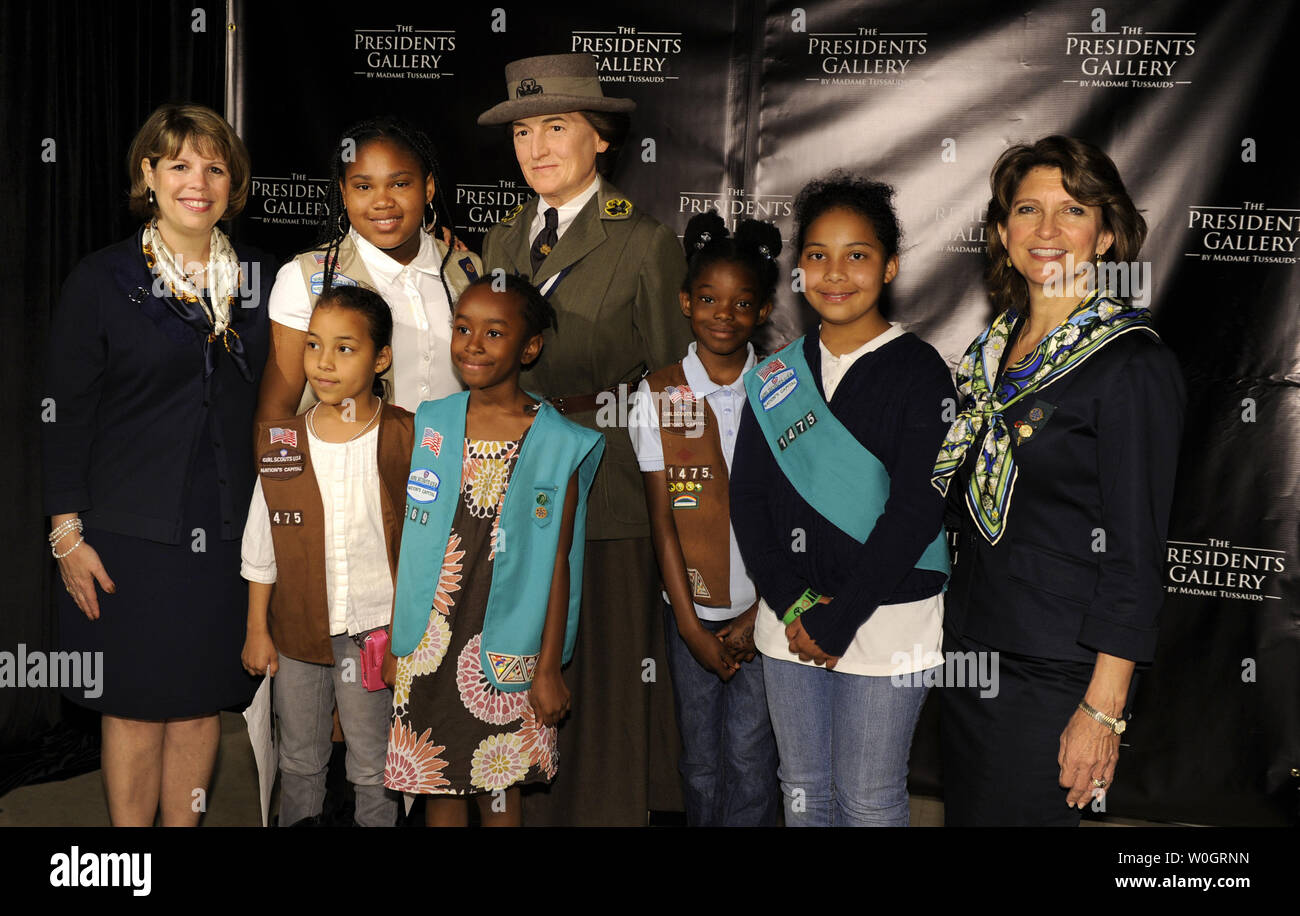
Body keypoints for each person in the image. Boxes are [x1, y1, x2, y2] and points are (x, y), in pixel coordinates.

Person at [931, 135, 1186, 826]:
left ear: (1105, 237)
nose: (1047, 231)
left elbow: (1136, 554)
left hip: (1055, 673)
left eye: (1072, 211)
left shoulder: (1130, 364)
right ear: (1001, 232)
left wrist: (1103, 710)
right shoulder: (986, 358)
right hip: (967, 653)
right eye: (1027, 210)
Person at [478, 52, 693, 825]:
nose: (536, 147)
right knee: (514, 673)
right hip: (511, 485)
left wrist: (687, 520)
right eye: (523, 132)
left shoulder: (643, 242)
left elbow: (676, 393)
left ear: (599, 137)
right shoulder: (500, 242)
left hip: (606, 490)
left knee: (600, 681)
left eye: (556, 127)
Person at [43, 103, 272, 826]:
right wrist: (65, 533)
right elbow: (62, 414)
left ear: (232, 182)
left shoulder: (265, 285)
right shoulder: (102, 280)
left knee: (200, 701)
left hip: (225, 532)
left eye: (214, 166)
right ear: (148, 174)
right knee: (137, 708)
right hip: (125, 537)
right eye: (178, 165)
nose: (196, 182)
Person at [730, 174, 954, 827]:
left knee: (869, 797)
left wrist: (840, 616)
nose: (836, 272)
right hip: (790, 622)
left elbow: (917, 509)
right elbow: (748, 497)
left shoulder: (920, 372)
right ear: (798, 269)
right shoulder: (775, 376)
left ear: (890, 266)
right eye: (818, 255)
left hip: (888, 616)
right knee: (803, 791)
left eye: (857, 254)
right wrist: (799, 606)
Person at [384, 275, 604, 826]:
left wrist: (550, 667)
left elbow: (559, 561)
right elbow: (412, 540)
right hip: (430, 642)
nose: (473, 344)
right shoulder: (431, 422)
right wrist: (399, 638)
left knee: (499, 783)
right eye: (462, 328)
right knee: (439, 782)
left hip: (512, 643)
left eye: (494, 332)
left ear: (530, 348)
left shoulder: (557, 442)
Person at [627, 212, 781, 826]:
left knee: (750, 756)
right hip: (689, 617)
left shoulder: (779, 388)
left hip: (764, 615)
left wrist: (758, 613)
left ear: (764, 311)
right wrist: (690, 627)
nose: (725, 314)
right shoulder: (658, 395)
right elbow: (661, 518)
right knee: (700, 762)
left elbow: (793, 515)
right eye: (710, 300)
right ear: (686, 303)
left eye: (742, 303)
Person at [239, 286, 412, 827]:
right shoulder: (284, 442)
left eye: (344, 348)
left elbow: (430, 545)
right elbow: (261, 543)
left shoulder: (406, 435)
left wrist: (409, 636)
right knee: (299, 762)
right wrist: (256, 629)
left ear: (380, 357)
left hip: (374, 633)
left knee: (371, 766)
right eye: (313, 345)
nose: (323, 363)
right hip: (295, 633)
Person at [257, 116, 482, 420]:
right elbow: (277, 409)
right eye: (363, 186)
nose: (382, 201)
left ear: (428, 189)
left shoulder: (467, 271)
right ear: (345, 193)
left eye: (400, 184)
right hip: (341, 465)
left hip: (451, 463)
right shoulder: (305, 276)